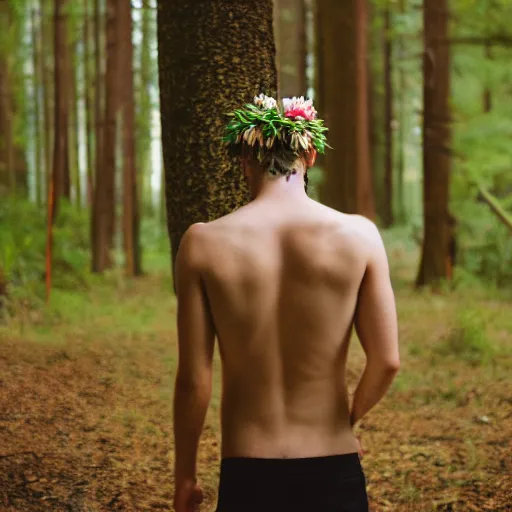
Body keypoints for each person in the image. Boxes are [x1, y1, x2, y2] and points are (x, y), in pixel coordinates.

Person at [172, 95, 400, 512]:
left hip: (248, 469)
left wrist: (184, 476)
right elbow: (387, 361)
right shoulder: (360, 236)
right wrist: (345, 421)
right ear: (309, 154)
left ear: (245, 160)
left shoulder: (202, 242)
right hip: (333, 462)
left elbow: (193, 380)